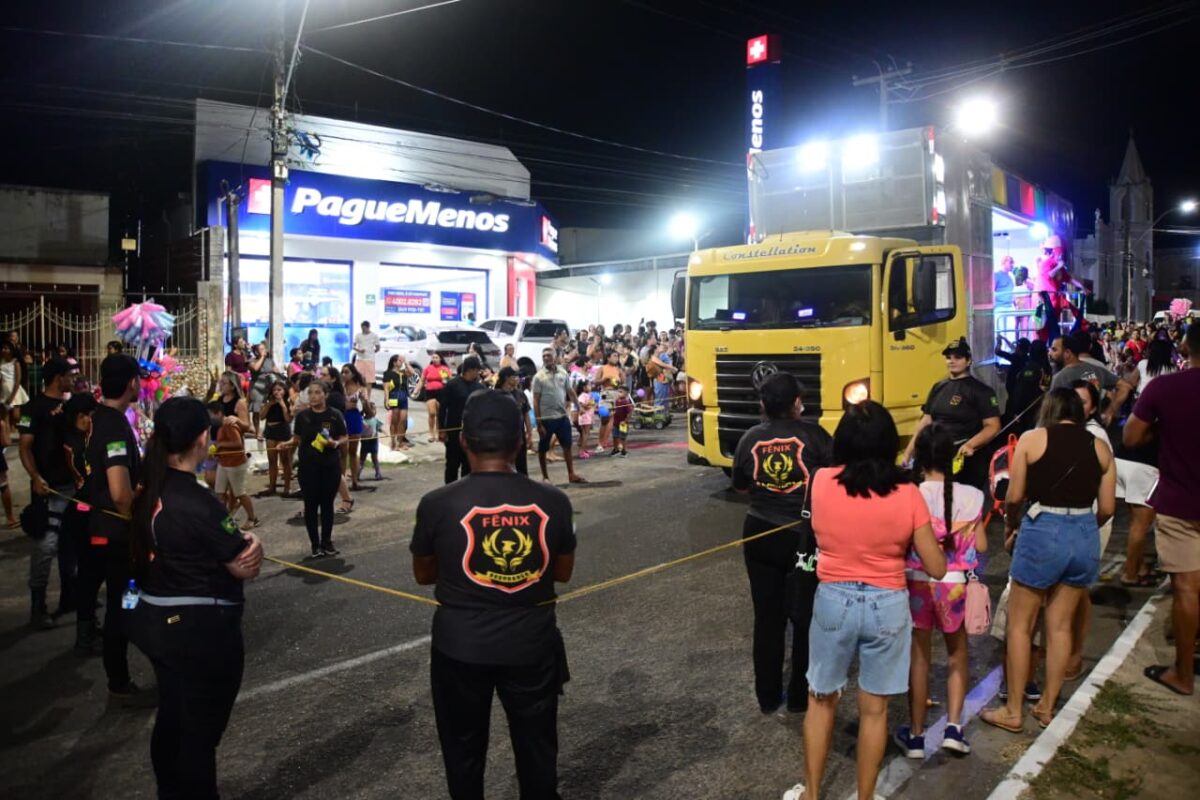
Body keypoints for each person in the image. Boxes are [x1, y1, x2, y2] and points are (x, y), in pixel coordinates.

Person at [411, 391, 575, 800]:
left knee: (463, 753)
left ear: (462, 440)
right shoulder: (554, 501)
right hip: (531, 645)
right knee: (537, 751)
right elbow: (562, 572)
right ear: (520, 441)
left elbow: (423, 574)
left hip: (460, 647)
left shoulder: (436, 504)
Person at [784, 401, 945, 800]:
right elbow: (937, 567)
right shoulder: (908, 493)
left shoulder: (821, 481)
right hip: (888, 603)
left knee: (821, 700)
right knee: (875, 711)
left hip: (833, 599)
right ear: (889, 442)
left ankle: (812, 793)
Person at [126, 397, 263, 800]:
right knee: (198, 736)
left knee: (173, 717)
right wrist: (253, 541)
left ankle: (169, 791)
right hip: (199, 632)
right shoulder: (198, 502)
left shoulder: (148, 487)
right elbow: (242, 564)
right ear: (203, 439)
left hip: (155, 620)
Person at [981, 389, 1116, 733]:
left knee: (1020, 625)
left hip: (1043, 528)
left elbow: (1014, 496)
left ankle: (1013, 710)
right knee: (1060, 627)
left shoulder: (1032, 439)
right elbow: (1108, 507)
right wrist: (1083, 527)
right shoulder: (1100, 447)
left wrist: (1012, 525)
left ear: (1050, 410)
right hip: (1083, 532)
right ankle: (1046, 706)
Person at [731, 372, 833, 714]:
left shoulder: (749, 438)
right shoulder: (816, 436)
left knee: (766, 615)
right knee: (805, 614)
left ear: (763, 404)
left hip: (759, 530)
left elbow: (741, 486)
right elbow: (834, 480)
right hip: (803, 535)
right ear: (797, 402)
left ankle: (768, 694)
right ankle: (801, 695)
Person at [894, 425, 986, 758]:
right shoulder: (972, 496)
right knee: (957, 655)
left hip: (916, 581)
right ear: (952, 458)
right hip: (955, 586)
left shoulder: (910, 494)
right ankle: (954, 729)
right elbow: (981, 545)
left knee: (919, 657)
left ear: (919, 458)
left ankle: (916, 736)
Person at [1123, 322, 1200, 695]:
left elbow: (1131, 437)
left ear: (1186, 347)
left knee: (1186, 589)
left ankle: (1182, 674)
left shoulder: (1164, 388)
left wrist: (1163, 428)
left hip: (1179, 501)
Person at [86, 353, 157, 706]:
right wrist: (136, 507)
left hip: (104, 532)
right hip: (118, 538)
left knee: (123, 605)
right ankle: (119, 683)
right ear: (132, 383)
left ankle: (122, 677)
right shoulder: (114, 426)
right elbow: (119, 494)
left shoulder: (100, 417)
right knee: (125, 605)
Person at [16, 358, 75, 630]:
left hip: (72, 488)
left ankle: (69, 598)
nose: (73, 379)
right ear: (57, 377)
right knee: (45, 547)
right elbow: (24, 447)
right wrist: (35, 477)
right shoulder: (33, 408)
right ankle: (37, 608)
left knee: (71, 546)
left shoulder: (71, 406)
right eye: (69, 375)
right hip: (48, 489)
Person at [902, 338, 1001, 495]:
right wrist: (908, 453)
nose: (952, 361)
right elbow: (926, 422)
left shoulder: (981, 391)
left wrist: (971, 445)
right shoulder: (938, 387)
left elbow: (993, 426)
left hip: (963, 461)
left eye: (958, 357)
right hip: (934, 456)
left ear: (968, 360)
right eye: (948, 357)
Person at [290, 380, 347, 559]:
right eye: (310, 393)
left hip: (330, 467)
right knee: (310, 506)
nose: (313, 396)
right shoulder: (302, 416)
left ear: (325, 395)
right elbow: (296, 439)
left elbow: (345, 436)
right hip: (308, 468)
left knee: (327, 505)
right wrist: (286, 445)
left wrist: (335, 443)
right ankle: (315, 545)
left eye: (317, 392)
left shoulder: (335, 415)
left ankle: (327, 542)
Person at [1049, 331, 1132, 425]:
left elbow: (1052, 413)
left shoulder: (1060, 378)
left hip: (1072, 430)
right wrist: (1111, 410)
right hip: (1096, 427)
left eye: (1054, 350)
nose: (1050, 353)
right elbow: (1125, 386)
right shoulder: (1097, 369)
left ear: (1067, 353)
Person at [533, 348, 585, 485]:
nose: (546, 358)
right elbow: (536, 400)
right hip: (546, 419)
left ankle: (571, 474)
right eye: (544, 356)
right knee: (543, 449)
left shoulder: (563, 372)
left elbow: (570, 391)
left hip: (562, 416)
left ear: (555, 357)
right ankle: (545, 477)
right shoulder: (538, 377)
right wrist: (538, 422)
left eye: (548, 355)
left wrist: (578, 407)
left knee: (567, 446)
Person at [438, 356, 487, 484]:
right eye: (477, 370)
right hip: (454, 431)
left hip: (472, 433)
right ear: (470, 370)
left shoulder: (480, 388)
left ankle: (466, 490)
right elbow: (443, 408)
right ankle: (450, 490)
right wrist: (442, 429)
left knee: (469, 465)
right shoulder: (452, 385)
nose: (478, 373)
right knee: (452, 464)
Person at [211, 399, 259, 530]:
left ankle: (252, 518)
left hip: (235, 464)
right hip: (223, 462)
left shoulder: (229, 425)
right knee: (219, 493)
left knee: (240, 493)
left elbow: (237, 444)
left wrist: (220, 445)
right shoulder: (219, 426)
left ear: (218, 413)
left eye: (211, 415)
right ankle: (226, 524)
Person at [495, 366, 533, 476]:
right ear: (506, 378)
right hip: (502, 437)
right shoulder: (496, 394)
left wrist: (529, 433)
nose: (517, 379)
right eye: (515, 376)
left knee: (521, 466)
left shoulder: (520, 394)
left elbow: (526, 414)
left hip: (519, 435)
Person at [341, 364, 372, 491]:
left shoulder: (360, 387)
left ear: (353, 374)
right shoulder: (340, 386)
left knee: (353, 451)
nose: (344, 374)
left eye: (346, 372)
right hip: (341, 417)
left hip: (354, 416)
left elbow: (367, 409)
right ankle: (341, 481)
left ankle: (355, 480)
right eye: (342, 372)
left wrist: (365, 402)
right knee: (342, 451)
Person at [262, 380, 294, 497]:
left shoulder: (288, 402)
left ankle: (287, 487)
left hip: (282, 430)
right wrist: (269, 405)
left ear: (284, 391)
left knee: (285, 460)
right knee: (272, 460)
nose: (276, 392)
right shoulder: (268, 401)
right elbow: (261, 416)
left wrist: (282, 404)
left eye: (279, 390)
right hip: (270, 430)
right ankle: (272, 487)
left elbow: (288, 419)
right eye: (274, 390)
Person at [383, 354, 416, 449]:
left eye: (402, 361)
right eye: (399, 361)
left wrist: (406, 362)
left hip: (403, 398)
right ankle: (393, 441)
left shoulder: (403, 372)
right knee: (394, 421)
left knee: (403, 421)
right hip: (393, 397)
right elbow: (386, 388)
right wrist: (386, 400)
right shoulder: (388, 373)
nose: (401, 362)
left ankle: (400, 442)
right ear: (394, 362)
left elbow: (413, 373)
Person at [421, 353, 451, 444]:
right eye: (433, 357)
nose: (434, 359)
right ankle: (431, 433)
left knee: (440, 414)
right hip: (430, 392)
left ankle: (439, 433)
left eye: (436, 357)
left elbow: (449, 381)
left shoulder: (444, 368)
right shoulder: (428, 368)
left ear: (440, 359)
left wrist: (445, 378)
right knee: (432, 413)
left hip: (441, 392)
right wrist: (416, 390)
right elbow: (422, 380)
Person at [1, 339, 28, 424]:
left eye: (6, 348)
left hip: (14, 390)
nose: (3, 350)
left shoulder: (15, 362)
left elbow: (18, 379)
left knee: (17, 416)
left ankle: (28, 425)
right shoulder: (2, 361)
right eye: (2, 348)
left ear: (11, 350)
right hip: (4, 391)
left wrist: (12, 396)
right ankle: (9, 431)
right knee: (6, 417)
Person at [359, 403, 384, 482]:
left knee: (375, 458)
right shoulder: (362, 420)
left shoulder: (375, 420)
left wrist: (385, 432)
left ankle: (378, 473)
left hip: (374, 441)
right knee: (362, 458)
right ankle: (357, 474)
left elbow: (379, 428)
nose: (375, 411)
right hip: (365, 441)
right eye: (373, 409)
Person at [353, 320, 380, 386]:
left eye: (364, 328)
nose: (363, 330)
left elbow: (378, 347)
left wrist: (371, 352)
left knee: (369, 380)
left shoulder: (374, 336)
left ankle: (368, 393)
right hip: (360, 359)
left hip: (370, 360)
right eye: (362, 328)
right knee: (359, 378)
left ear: (368, 327)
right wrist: (359, 350)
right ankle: (359, 391)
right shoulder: (358, 335)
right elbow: (353, 346)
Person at [610, 385, 633, 457]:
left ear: (626, 394)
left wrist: (625, 421)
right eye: (618, 392)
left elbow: (629, 413)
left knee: (623, 438)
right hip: (616, 423)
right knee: (615, 436)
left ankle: (624, 451)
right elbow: (615, 409)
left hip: (623, 424)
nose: (619, 393)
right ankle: (616, 449)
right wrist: (613, 412)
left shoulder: (626, 402)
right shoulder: (616, 401)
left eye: (621, 392)